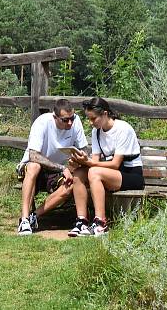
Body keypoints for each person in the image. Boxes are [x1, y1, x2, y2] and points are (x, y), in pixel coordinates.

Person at [67, 97, 144, 237]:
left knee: (95, 172)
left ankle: (101, 223)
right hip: (112, 173)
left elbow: (115, 164)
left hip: (131, 175)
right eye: (88, 119)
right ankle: (82, 221)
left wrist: (90, 163)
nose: (91, 123)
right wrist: (81, 161)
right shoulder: (96, 132)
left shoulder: (123, 129)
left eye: (93, 118)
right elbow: (94, 161)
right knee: (79, 173)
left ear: (105, 113)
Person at [16, 98, 88, 235]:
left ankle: (34, 216)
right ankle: (24, 219)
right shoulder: (42, 122)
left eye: (72, 118)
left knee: (71, 184)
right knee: (33, 167)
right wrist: (63, 168)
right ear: (55, 117)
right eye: (65, 120)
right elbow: (33, 156)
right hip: (36, 168)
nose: (70, 122)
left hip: (59, 171)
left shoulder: (76, 122)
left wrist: (75, 163)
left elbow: (84, 150)